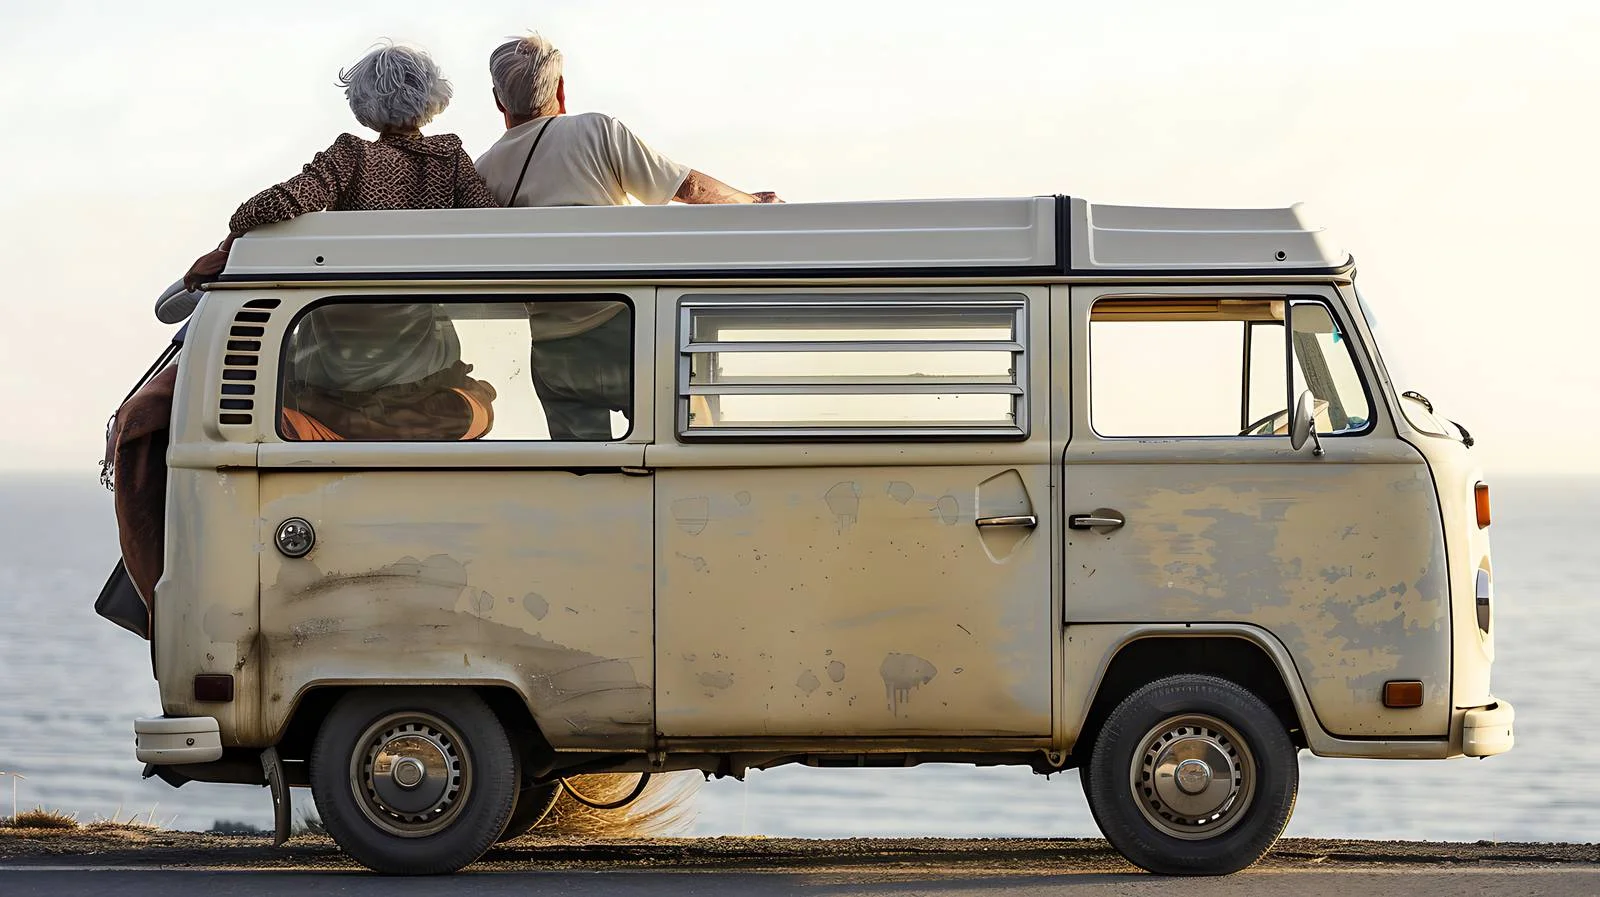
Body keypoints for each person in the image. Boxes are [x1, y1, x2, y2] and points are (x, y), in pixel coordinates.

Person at [474, 33, 781, 440]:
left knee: (586, 472)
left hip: (553, 351)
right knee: (693, 442)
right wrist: (752, 202)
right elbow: (687, 189)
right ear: (561, 88)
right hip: (624, 329)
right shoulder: (596, 131)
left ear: (498, 100)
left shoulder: (484, 169)